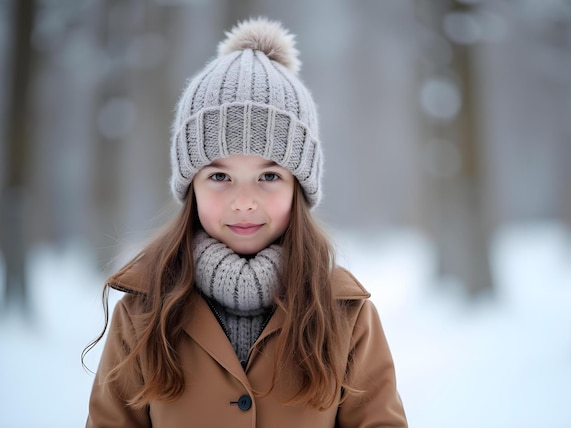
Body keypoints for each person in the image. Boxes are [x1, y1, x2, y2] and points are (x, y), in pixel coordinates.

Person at [84, 17, 408, 427]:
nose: (243, 203)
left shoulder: (346, 318)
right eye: (219, 177)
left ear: (298, 187)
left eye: (269, 177)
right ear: (191, 187)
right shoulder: (142, 315)